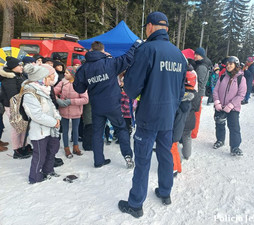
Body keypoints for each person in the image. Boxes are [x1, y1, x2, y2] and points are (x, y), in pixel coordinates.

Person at [118, 11, 187, 218]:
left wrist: (127, 80)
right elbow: (181, 90)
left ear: (149, 27)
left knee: (143, 159)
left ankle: (135, 204)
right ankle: (165, 192)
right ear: (166, 29)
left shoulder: (146, 49)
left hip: (149, 115)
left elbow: (131, 89)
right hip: (168, 116)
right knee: (165, 154)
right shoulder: (178, 54)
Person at [73, 39, 141, 168]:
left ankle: (98, 160)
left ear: (91, 50)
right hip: (112, 104)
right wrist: (136, 45)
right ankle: (127, 156)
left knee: (97, 132)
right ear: (103, 50)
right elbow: (127, 58)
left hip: (96, 105)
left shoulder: (84, 68)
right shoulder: (110, 62)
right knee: (121, 129)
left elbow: (79, 88)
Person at [22, 64, 61, 184]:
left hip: (50, 129)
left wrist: (57, 117)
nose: (52, 79)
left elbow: (52, 106)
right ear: (41, 79)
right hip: (40, 131)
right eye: (49, 77)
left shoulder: (44, 90)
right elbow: (36, 115)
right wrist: (54, 122)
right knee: (40, 154)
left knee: (52, 150)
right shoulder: (30, 94)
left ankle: (48, 170)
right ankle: (35, 177)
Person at [213, 56, 247, 156]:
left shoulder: (241, 78)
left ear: (236, 65)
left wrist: (231, 105)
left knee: (234, 127)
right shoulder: (223, 76)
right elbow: (215, 90)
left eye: (231, 64)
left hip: (233, 108)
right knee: (219, 124)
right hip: (220, 106)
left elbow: (241, 94)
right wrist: (217, 102)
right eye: (227, 64)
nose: (228, 66)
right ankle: (220, 140)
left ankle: (235, 146)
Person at [0, 56, 31, 158]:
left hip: (20, 104)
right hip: (12, 106)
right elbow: (13, 95)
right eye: (19, 65)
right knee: (16, 127)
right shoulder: (9, 78)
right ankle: (16, 150)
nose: (21, 67)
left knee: (23, 126)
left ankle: (24, 145)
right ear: (13, 67)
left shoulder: (19, 75)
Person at [54, 66, 88, 158]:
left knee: (75, 130)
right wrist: (58, 100)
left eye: (67, 73)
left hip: (76, 111)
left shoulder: (79, 84)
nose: (65, 74)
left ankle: (76, 147)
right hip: (64, 111)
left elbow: (85, 99)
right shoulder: (62, 83)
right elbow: (53, 93)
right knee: (65, 130)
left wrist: (71, 101)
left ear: (73, 74)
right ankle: (66, 148)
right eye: (65, 72)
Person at [191, 47, 212, 139]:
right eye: (195, 54)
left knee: (196, 112)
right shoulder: (201, 64)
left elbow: (199, 82)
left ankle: (193, 132)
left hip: (198, 93)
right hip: (198, 92)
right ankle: (193, 131)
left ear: (202, 56)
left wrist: (194, 92)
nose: (195, 56)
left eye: (197, 54)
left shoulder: (202, 66)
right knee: (195, 111)